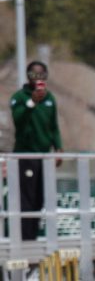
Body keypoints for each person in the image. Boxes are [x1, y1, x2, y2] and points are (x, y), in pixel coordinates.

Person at [9, 60, 63, 240]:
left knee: (40, 198)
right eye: (34, 75)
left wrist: (59, 147)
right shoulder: (20, 97)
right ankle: (26, 239)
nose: (38, 78)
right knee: (26, 199)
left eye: (42, 75)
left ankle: (33, 236)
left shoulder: (50, 99)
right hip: (25, 156)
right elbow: (18, 120)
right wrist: (32, 102)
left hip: (44, 157)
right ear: (28, 76)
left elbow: (53, 127)